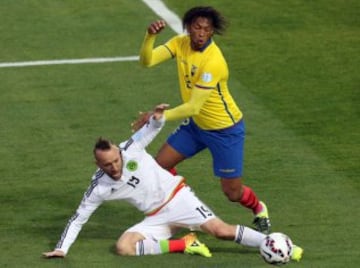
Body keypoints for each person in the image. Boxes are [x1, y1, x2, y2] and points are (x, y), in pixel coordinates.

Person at [42, 104, 303, 261]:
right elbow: (78, 217)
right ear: (98, 165)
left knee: (221, 231)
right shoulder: (99, 186)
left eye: (115, 161)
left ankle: (280, 247)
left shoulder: (130, 149)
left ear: (119, 154)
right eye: (107, 165)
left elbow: (152, 128)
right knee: (124, 247)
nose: (114, 167)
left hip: (179, 199)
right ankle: (185, 243)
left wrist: (158, 116)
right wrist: (61, 249)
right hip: (156, 217)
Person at [137, 6, 270, 233]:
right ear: (188, 27)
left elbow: (193, 106)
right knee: (160, 167)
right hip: (197, 126)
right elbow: (147, 61)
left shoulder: (213, 61)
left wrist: (158, 117)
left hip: (225, 131)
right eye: (197, 27)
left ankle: (259, 208)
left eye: (206, 30)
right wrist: (150, 37)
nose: (201, 33)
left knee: (232, 192)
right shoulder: (180, 43)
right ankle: (184, 208)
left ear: (212, 33)